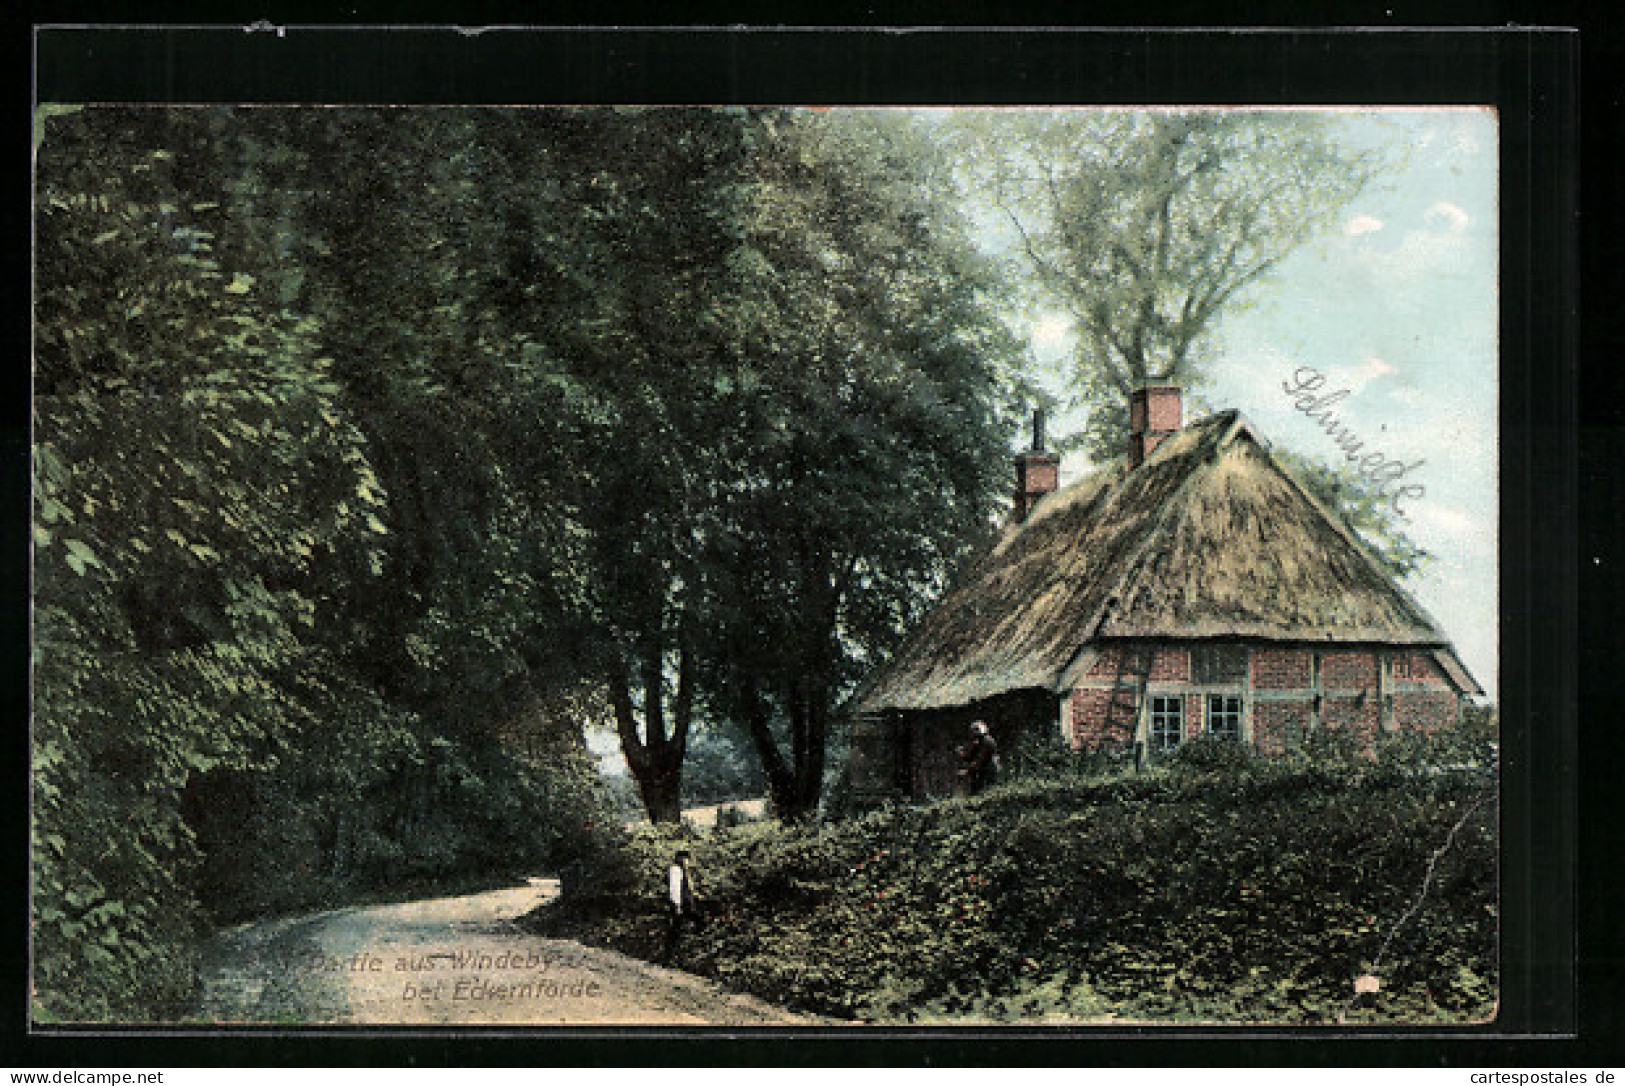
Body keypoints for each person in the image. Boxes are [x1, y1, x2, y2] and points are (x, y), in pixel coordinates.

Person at [661, 848, 701, 962]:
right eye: (685, 859)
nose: (687, 862)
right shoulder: (675, 870)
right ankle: (669, 957)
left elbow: (688, 888)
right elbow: (675, 889)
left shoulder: (684, 871)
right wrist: (677, 905)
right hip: (679, 904)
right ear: (680, 859)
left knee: (677, 929)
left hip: (684, 904)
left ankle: (673, 956)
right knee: (675, 930)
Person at [957, 720, 999, 796]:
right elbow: (971, 757)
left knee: (985, 791)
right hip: (983, 770)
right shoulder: (980, 742)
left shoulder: (987, 741)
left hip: (989, 770)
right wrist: (963, 755)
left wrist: (967, 771)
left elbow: (978, 760)